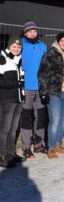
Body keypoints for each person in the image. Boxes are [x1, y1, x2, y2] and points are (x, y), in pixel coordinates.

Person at [38, 33, 64, 159]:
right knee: (55, 121)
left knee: (63, 121)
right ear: (58, 42)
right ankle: (51, 148)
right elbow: (42, 74)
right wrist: (43, 93)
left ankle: (58, 145)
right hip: (54, 92)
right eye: (62, 41)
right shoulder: (50, 54)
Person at [20, 20, 48, 159]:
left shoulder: (42, 46)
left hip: (41, 88)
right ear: (25, 33)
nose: (32, 33)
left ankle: (38, 144)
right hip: (27, 87)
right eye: (29, 31)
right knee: (26, 117)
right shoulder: (20, 45)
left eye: (34, 31)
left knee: (40, 116)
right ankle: (26, 146)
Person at [0, 36, 25, 167]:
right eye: (14, 46)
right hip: (7, 99)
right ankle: (1, 155)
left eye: (19, 47)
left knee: (13, 128)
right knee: (4, 129)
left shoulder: (17, 60)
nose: (16, 49)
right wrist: (16, 82)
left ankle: (11, 153)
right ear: (9, 46)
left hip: (18, 99)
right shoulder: (2, 58)